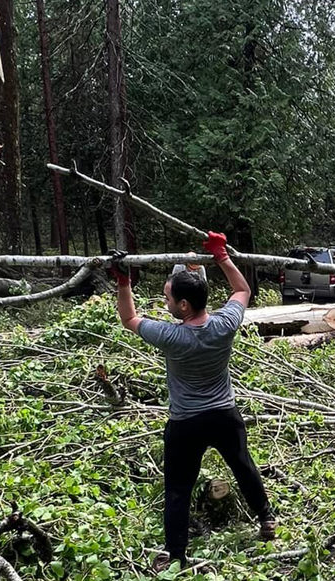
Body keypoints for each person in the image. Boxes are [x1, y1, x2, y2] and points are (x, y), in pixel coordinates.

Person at [110, 232, 274, 572]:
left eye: (169, 297)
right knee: (243, 466)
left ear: (183, 305)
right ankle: (267, 519)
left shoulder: (171, 336)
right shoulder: (224, 324)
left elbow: (128, 319)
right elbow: (242, 290)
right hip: (224, 416)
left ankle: (176, 555)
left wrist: (123, 281)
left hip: (186, 424)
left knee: (178, 489)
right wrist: (221, 257)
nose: (165, 300)